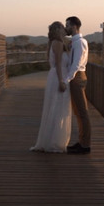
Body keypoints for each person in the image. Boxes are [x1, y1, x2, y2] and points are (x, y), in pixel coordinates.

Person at [30, 21, 72, 153]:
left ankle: (51, 139)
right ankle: (55, 141)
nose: (65, 29)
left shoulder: (55, 43)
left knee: (55, 107)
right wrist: (61, 80)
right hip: (59, 76)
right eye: (62, 27)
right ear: (58, 30)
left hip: (54, 76)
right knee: (58, 108)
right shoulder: (58, 43)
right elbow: (59, 64)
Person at [63, 16, 91, 154]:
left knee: (82, 112)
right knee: (78, 112)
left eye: (67, 25)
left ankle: (85, 145)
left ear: (74, 26)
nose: (65, 28)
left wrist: (66, 80)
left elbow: (76, 64)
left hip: (77, 77)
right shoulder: (75, 42)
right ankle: (82, 141)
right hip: (77, 77)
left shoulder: (79, 42)